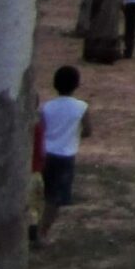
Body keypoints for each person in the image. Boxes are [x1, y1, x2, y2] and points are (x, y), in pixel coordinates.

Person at [33, 64, 90, 247]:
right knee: (55, 199)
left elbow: (40, 129)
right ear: (77, 85)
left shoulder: (46, 107)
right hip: (65, 155)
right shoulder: (81, 107)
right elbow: (87, 131)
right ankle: (42, 233)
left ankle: (34, 226)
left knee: (41, 193)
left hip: (46, 153)